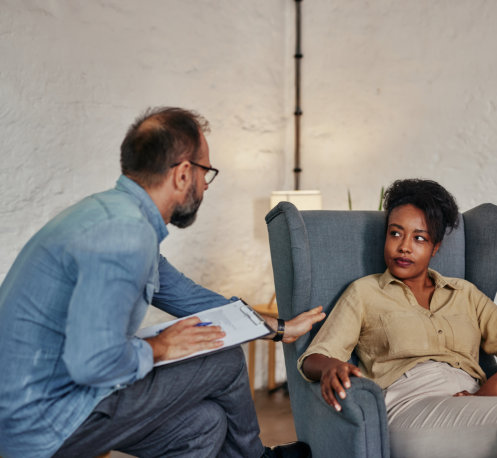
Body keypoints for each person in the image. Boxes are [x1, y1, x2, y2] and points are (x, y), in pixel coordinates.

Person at [0, 107, 325, 458]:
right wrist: (160, 347)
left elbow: (194, 299)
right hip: (41, 421)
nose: (205, 185)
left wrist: (280, 327)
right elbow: (92, 362)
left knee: (204, 424)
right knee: (225, 358)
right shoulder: (125, 235)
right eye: (206, 173)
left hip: (51, 408)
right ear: (184, 173)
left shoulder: (117, 218)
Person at [299, 178, 497, 458]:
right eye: (395, 233)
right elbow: (313, 358)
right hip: (410, 407)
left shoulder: (465, 294)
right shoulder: (364, 292)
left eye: (419, 238)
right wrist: (330, 366)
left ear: (435, 247)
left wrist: (483, 397)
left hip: (474, 403)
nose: (404, 247)